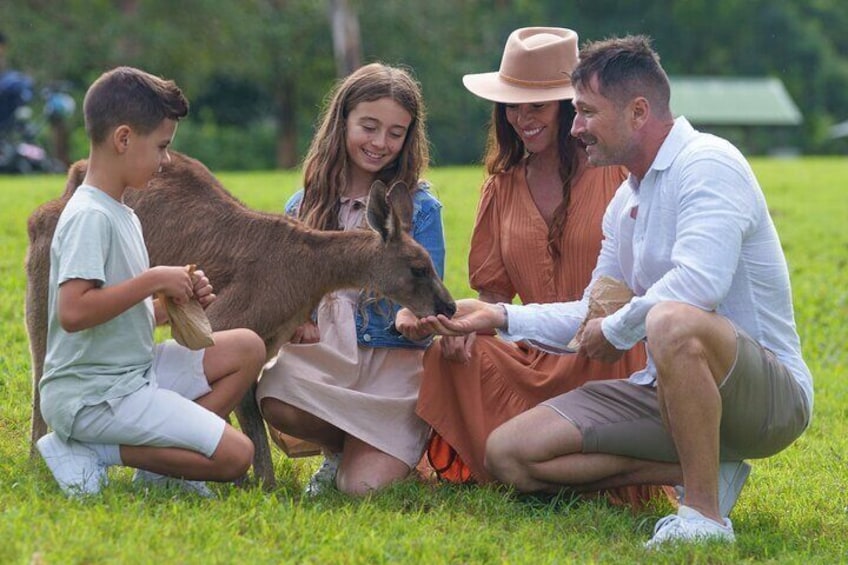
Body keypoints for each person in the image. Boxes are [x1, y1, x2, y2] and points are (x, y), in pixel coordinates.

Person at [400, 35, 812, 547]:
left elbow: (698, 285)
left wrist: (614, 330)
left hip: (765, 398)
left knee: (672, 318)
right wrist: (498, 318)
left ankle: (704, 518)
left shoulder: (709, 164)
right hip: (661, 391)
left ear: (638, 111)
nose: (577, 128)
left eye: (586, 113)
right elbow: (593, 307)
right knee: (508, 454)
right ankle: (701, 464)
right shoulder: (626, 200)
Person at [408, 26, 662, 507]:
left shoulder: (615, 173)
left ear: (570, 106)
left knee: (617, 349)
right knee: (450, 354)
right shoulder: (501, 185)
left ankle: (567, 467)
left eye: (536, 106)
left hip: (604, 347)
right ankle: (531, 465)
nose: (522, 118)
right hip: (534, 349)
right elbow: (494, 297)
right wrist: (463, 327)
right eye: (512, 105)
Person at [37, 66, 266, 498]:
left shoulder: (122, 211)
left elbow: (116, 315)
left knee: (248, 347)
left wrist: (171, 306)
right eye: (162, 147)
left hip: (133, 375)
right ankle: (95, 449)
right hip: (93, 398)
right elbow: (73, 312)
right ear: (123, 139)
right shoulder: (90, 216)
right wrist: (153, 280)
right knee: (237, 455)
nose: (166, 161)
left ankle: (163, 469)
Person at [256, 62, 446, 496]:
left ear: (408, 137)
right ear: (343, 121)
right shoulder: (304, 206)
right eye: (369, 126)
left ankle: (383, 451)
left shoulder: (420, 209)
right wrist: (298, 322)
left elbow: (424, 300)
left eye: (396, 133)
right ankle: (339, 450)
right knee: (275, 391)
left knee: (363, 489)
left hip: (392, 368)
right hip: (328, 362)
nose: (380, 143)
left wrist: (414, 322)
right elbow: (288, 296)